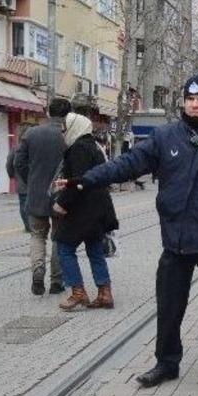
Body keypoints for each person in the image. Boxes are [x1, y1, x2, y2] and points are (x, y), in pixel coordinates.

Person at [61, 72, 198, 396]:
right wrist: (85, 180)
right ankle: (167, 363)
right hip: (176, 242)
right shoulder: (166, 137)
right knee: (169, 307)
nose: (194, 105)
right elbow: (128, 163)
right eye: (190, 99)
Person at [52, 114, 119, 311]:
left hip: (83, 208)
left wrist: (61, 204)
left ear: (75, 127)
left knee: (64, 247)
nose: (63, 130)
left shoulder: (78, 148)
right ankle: (105, 293)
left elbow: (80, 181)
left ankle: (78, 292)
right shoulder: (94, 146)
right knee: (95, 249)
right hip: (99, 207)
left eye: (65, 127)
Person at [14, 98, 70, 296]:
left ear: (47, 112)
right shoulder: (68, 136)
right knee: (58, 238)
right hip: (60, 196)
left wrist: (31, 182)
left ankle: (38, 272)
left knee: (37, 236)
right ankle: (57, 281)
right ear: (67, 115)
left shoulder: (31, 133)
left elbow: (18, 163)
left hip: (36, 194)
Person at [6, 148, 30, 231]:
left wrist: (12, 175)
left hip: (21, 181)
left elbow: (9, 164)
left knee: (23, 203)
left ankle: (28, 226)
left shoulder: (16, 150)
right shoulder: (36, 147)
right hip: (36, 182)